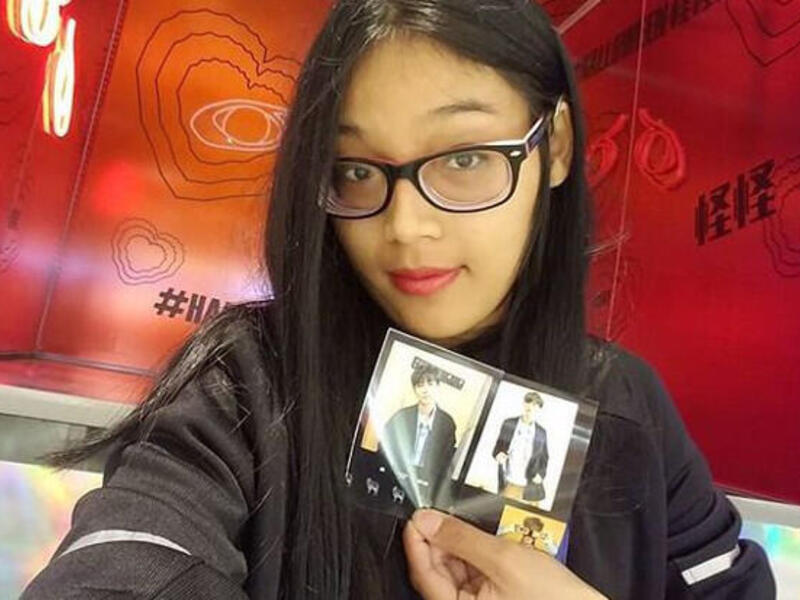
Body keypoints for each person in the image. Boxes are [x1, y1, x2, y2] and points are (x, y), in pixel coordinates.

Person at [22, 1, 775, 599]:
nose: (405, 228)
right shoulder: (248, 385)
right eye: (354, 171)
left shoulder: (627, 404)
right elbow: (130, 555)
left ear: (555, 149)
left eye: (468, 158)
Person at [380, 365, 457, 497]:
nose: (425, 390)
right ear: (415, 389)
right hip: (395, 479)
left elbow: (446, 462)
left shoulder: (447, 423)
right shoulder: (401, 416)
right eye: (420, 385)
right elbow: (384, 446)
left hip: (427, 488)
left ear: (438, 386)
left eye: (430, 384)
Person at [493, 391, 549, 502]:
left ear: (539, 410)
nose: (531, 411)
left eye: (535, 408)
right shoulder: (509, 423)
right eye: (529, 408)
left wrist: (541, 474)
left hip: (530, 484)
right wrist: (498, 455)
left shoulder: (541, 432)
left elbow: (544, 457)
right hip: (510, 480)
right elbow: (498, 447)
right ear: (524, 404)